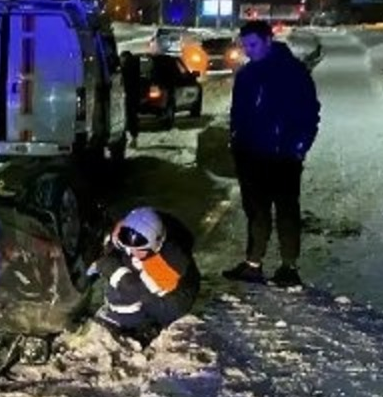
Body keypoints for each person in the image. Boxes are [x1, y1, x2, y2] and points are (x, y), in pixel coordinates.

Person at [223, 18, 321, 288]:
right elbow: (238, 113)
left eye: (253, 45)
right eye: (245, 46)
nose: (248, 51)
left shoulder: (293, 71)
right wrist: (236, 140)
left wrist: (299, 147)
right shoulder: (246, 75)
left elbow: (310, 113)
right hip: (250, 154)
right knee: (256, 211)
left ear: (268, 41)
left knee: (287, 211)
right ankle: (253, 264)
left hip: (284, 156)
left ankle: (289, 267)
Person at [90, 206, 201, 342]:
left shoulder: (171, 264)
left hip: (173, 298)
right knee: (123, 267)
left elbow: (135, 289)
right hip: (159, 266)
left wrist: (110, 269)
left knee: (125, 287)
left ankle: (137, 325)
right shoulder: (147, 224)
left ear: (156, 245)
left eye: (138, 250)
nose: (130, 251)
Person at [119, 51, 143, 148]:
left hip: (128, 96)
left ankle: (131, 138)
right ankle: (133, 138)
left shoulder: (125, 69)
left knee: (129, 118)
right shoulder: (135, 68)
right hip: (131, 96)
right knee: (131, 118)